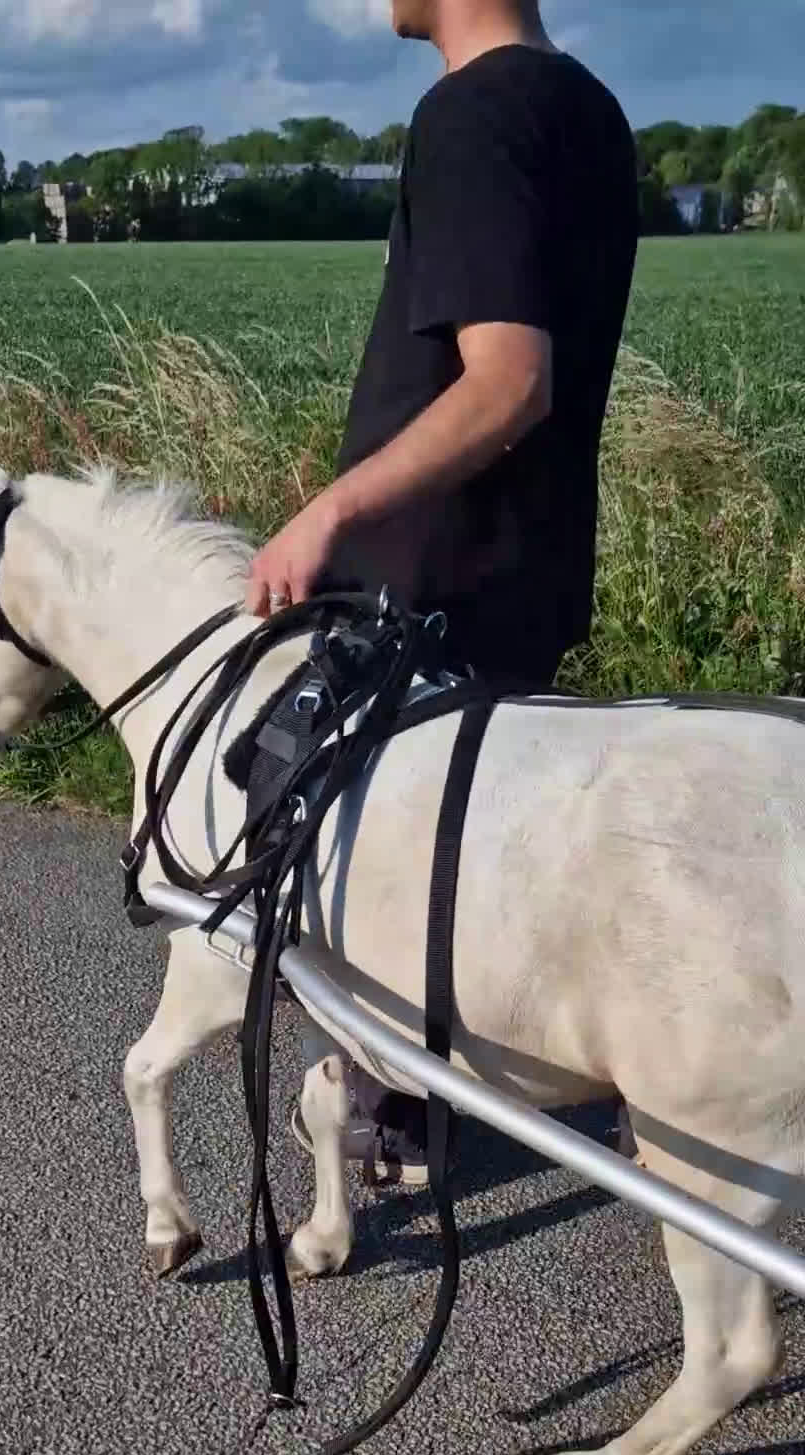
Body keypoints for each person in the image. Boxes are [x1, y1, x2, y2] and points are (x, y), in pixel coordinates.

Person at [244, 0, 639, 1187]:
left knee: (289, 823)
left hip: (428, 587)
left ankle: (378, 1101)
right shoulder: (593, 111)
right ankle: (420, 1102)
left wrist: (331, 510)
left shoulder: (472, 111)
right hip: (528, 568)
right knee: (464, 858)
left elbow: (509, 380)